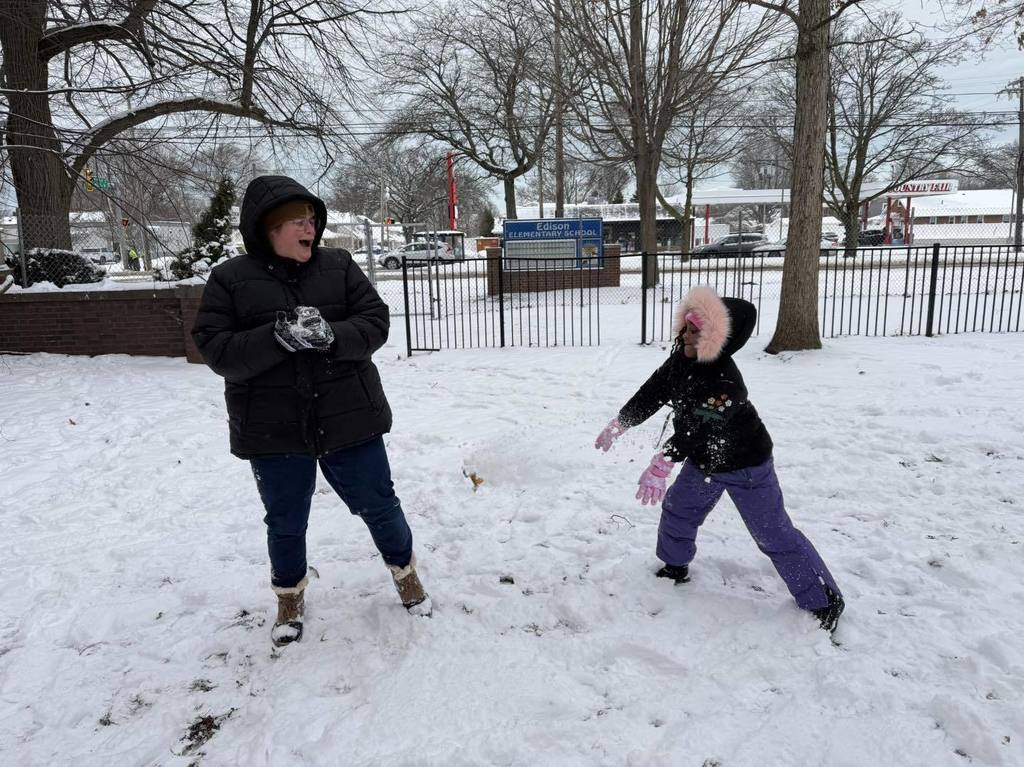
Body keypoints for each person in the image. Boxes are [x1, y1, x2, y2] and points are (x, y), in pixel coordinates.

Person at [192, 175, 430, 648]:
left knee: (379, 505)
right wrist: (275, 337)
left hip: (350, 417)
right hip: (273, 428)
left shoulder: (339, 266)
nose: (310, 228)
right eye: (298, 221)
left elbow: (375, 322)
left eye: (312, 220)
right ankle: (289, 596)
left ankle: (405, 574)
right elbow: (216, 349)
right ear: (268, 228)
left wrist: (333, 336)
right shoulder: (230, 279)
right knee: (284, 521)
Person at [595, 285, 844, 632]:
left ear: (718, 340)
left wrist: (663, 461)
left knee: (772, 534)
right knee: (679, 510)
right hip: (704, 461)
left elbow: (698, 427)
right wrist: (623, 421)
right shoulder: (681, 360)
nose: (686, 334)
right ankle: (674, 567)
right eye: (686, 326)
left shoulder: (726, 382)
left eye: (697, 331)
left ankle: (822, 599)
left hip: (745, 465)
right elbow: (653, 391)